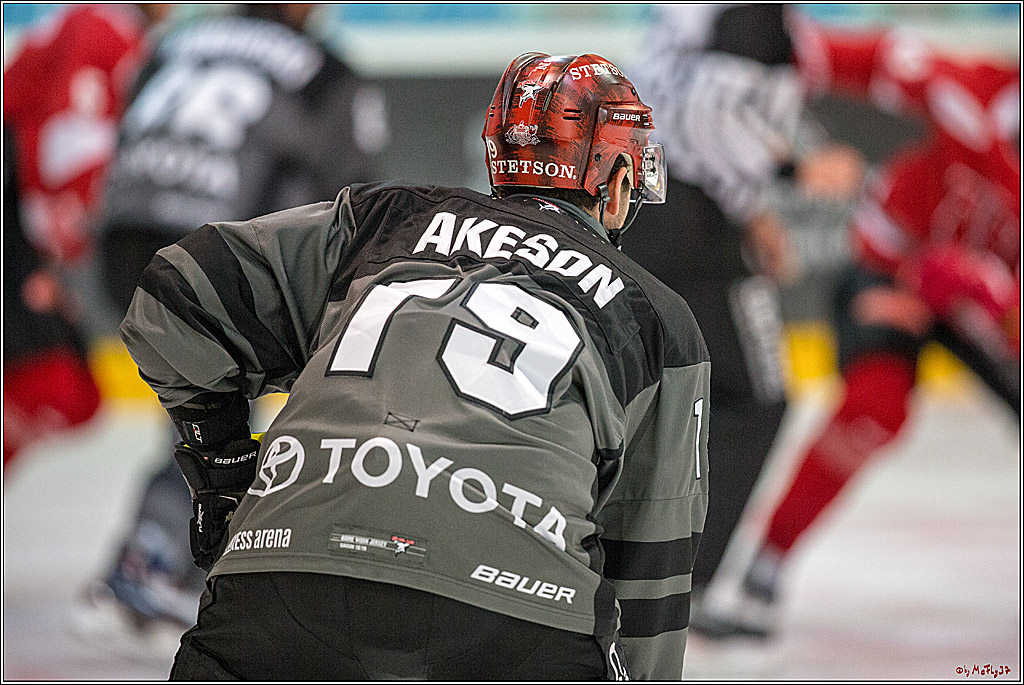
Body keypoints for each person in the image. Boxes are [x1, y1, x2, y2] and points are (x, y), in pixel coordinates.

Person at [118, 52, 710, 680]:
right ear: (618, 179)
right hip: (516, 616)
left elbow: (171, 296)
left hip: (284, 575)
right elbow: (652, 572)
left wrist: (223, 467)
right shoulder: (658, 318)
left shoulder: (382, 221)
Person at [76, 3, 388, 652]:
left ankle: (159, 557)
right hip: (209, 249)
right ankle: (151, 557)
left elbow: (124, 128)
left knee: (207, 388)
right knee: (222, 392)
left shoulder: (178, 40)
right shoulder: (327, 73)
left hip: (123, 240)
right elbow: (350, 202)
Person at [710, 16, 1020, 638]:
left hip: (982, 297)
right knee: (874, 405)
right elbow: (890, 60)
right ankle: (765, 566)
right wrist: (791, 46)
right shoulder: (981, 96)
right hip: (893, 267)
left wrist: (983, 288)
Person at [619, 3, 865, 638]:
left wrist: (753, 209)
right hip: (693, 228)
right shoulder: (750, 16)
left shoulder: (711, 13)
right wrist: (795, 169)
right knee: (755, 400)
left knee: (661, 403)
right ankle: (678, 590)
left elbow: (685, 112)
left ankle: (630, 580)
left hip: (654, 212)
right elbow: (710, 114)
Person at [2, 4, 165, 467]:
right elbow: (67, 146)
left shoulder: (102, 26)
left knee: (68, 391)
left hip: (21, 219)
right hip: (19, 225)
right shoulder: (105, 29)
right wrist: (52, 261)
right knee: (65, 389)